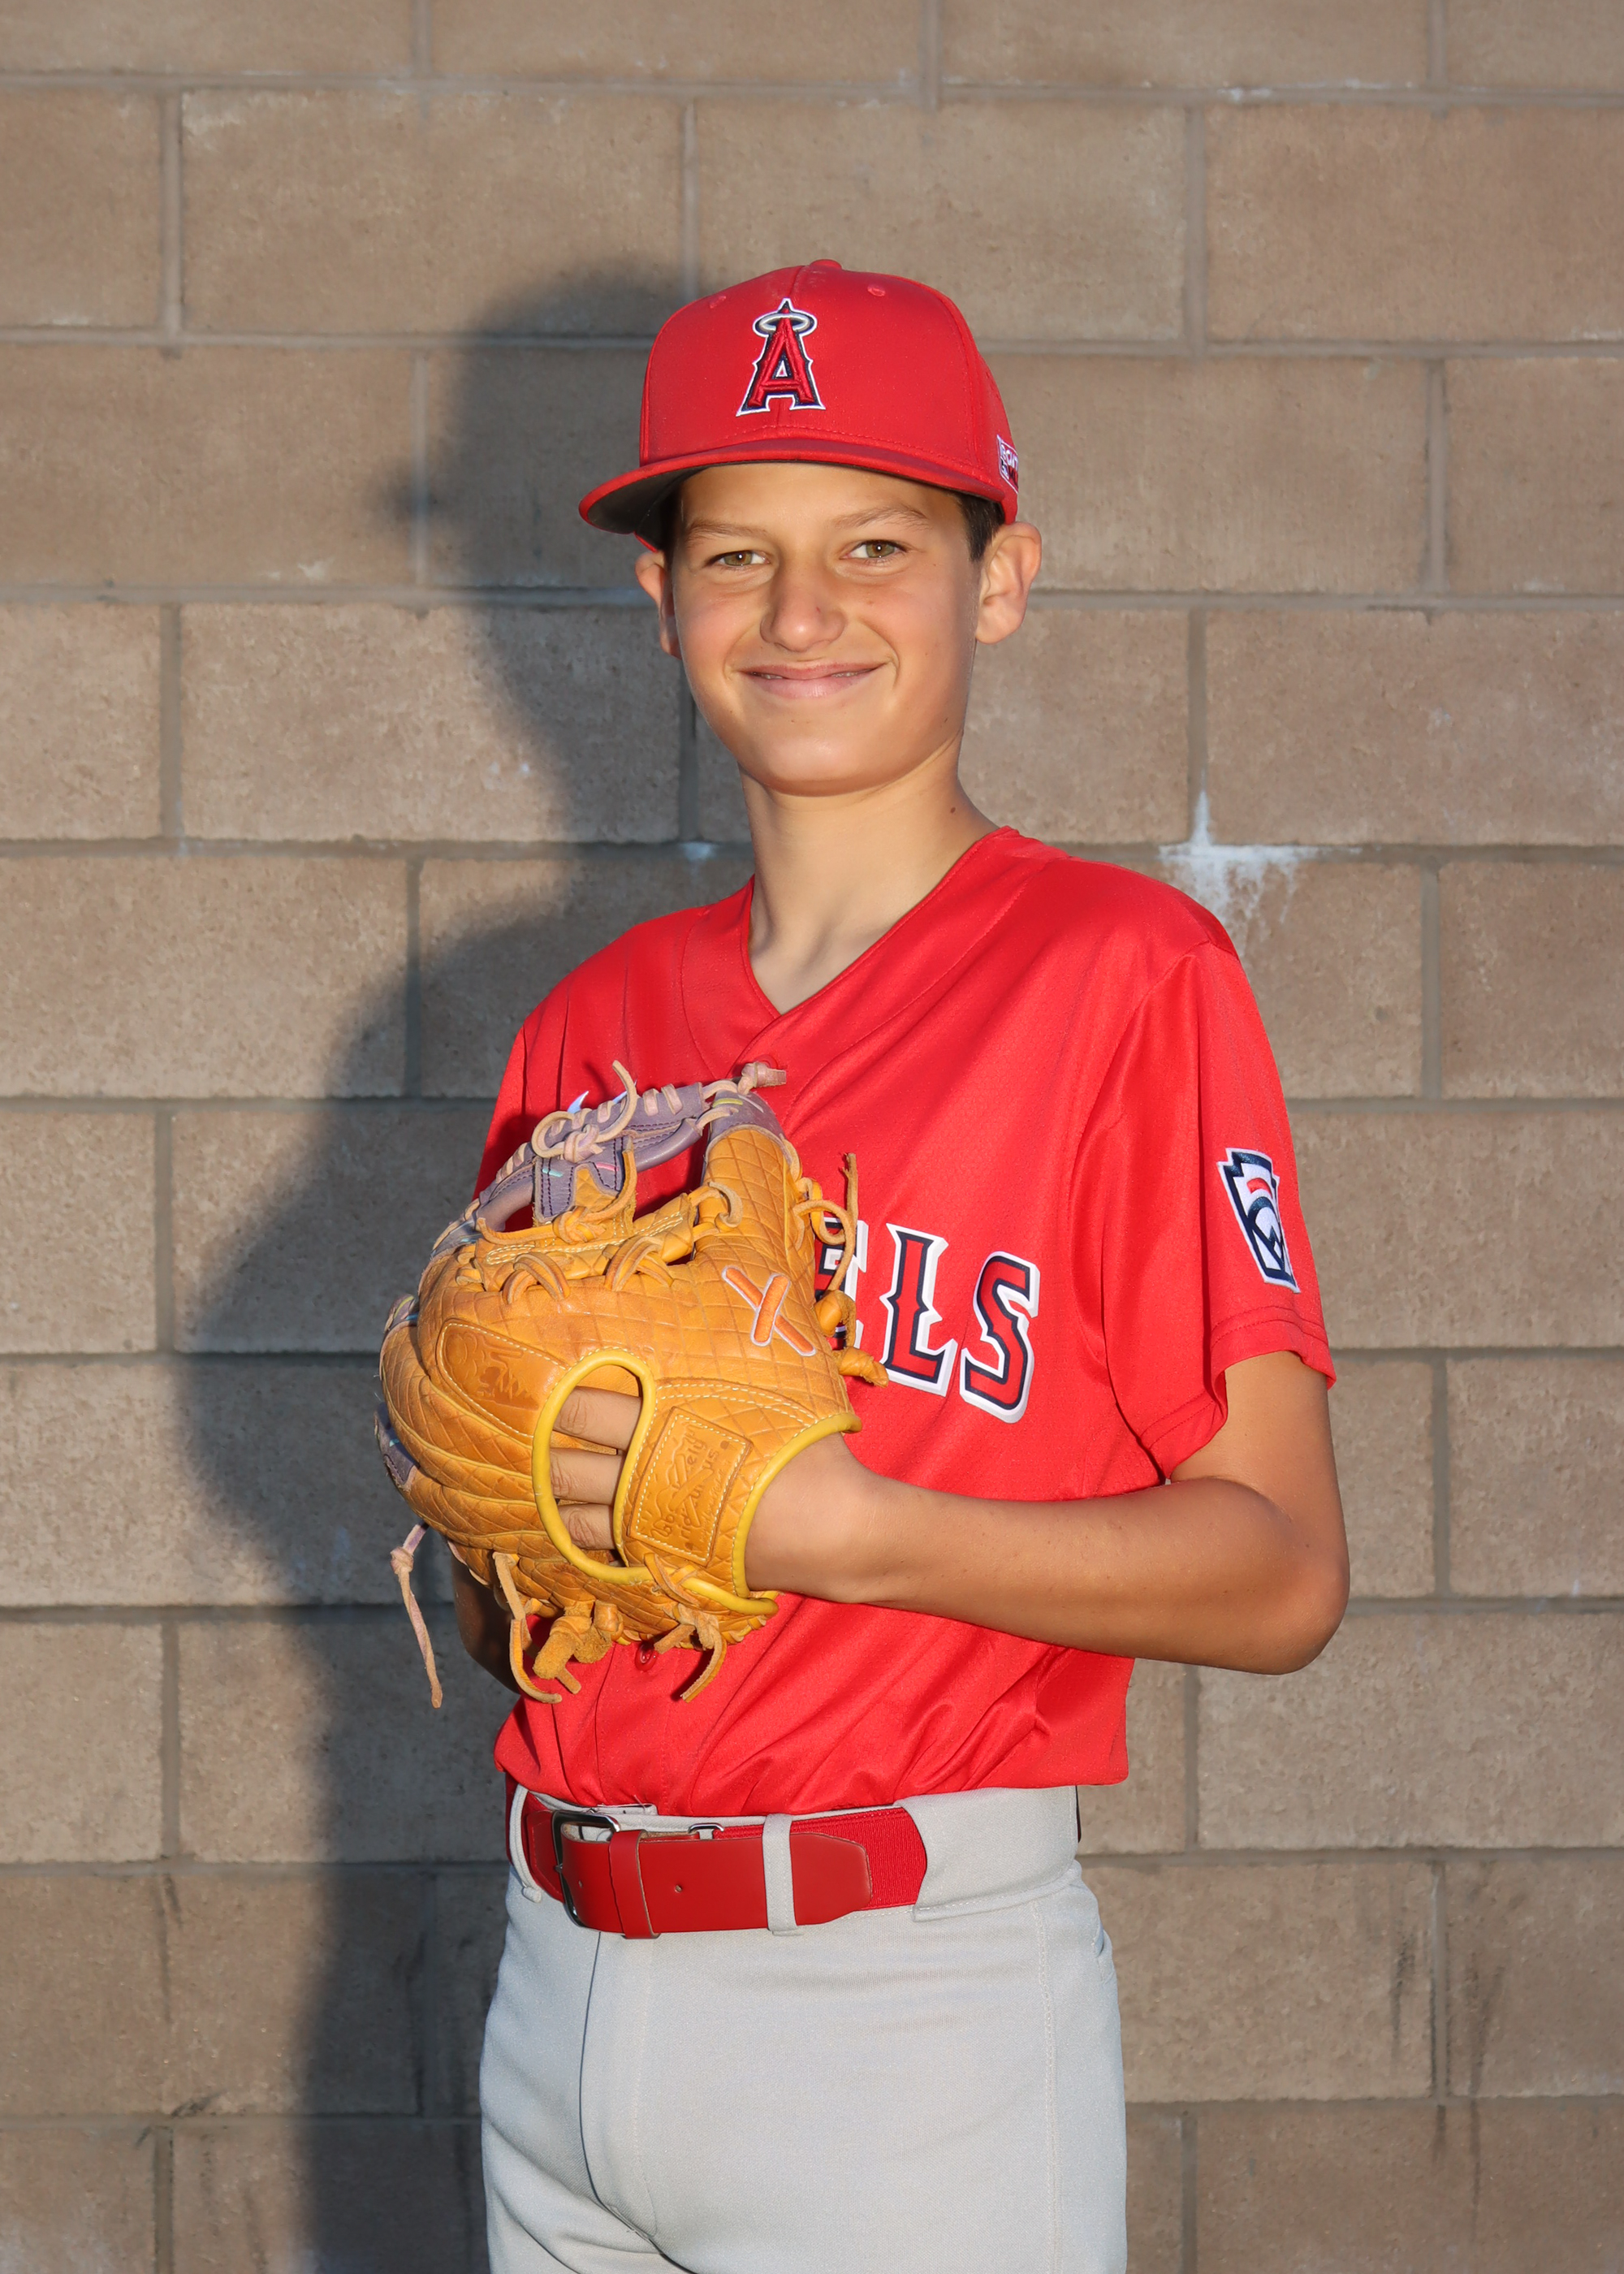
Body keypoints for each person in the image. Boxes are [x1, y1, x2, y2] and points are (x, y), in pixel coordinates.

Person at [450, 260, 1349, 2274]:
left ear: (996, 579)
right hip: (556, 1985)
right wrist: (528, 1525)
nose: (801, 612)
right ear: (658, 600)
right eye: (736, 554)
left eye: (873, 544)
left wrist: (838, 1528)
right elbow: (544, 1604)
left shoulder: (1122, 975)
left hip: (901, 2016)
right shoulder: (586, 1027)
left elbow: (1282, 1570)